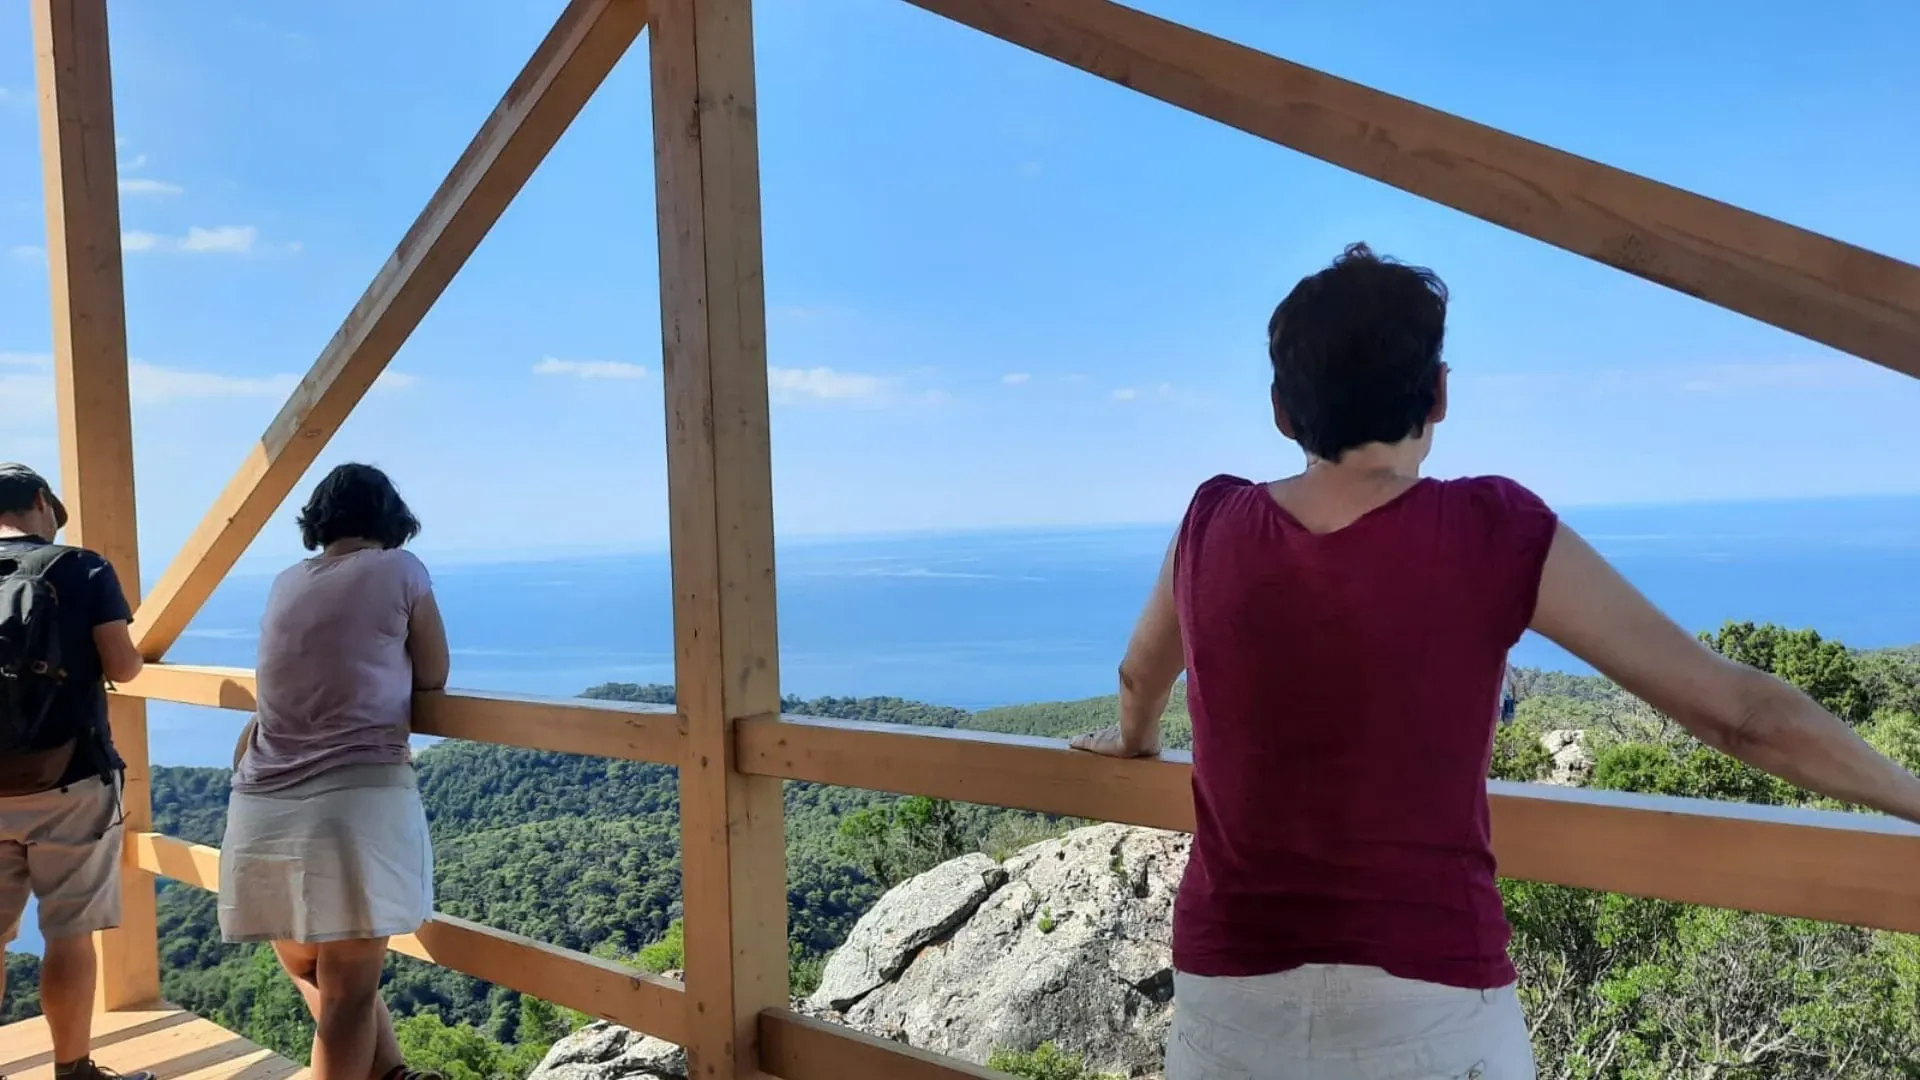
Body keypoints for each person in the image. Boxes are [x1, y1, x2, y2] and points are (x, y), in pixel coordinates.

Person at [1070, 244, 1920, 1080]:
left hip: (1231, 1002)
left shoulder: (1210, 524)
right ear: (1439, 394)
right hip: (1431, 1007)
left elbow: (1140, 677)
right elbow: (1739, 714)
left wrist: (1135, 742)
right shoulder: (1489, 529)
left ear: (1283, 412)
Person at [221, 463, 450, 1080]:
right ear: (391, 518)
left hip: (261, 801)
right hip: (355, 802)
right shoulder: (401, 569)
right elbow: (433, 676)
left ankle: (391, 1074)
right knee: (348, 992)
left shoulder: (286, 581)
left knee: (313, 973)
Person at [0, 463, 150, 1080]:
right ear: (40, 502)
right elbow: (125, 665)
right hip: (70, 777)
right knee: (68, 932)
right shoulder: (81, 567)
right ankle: (72, 1070)